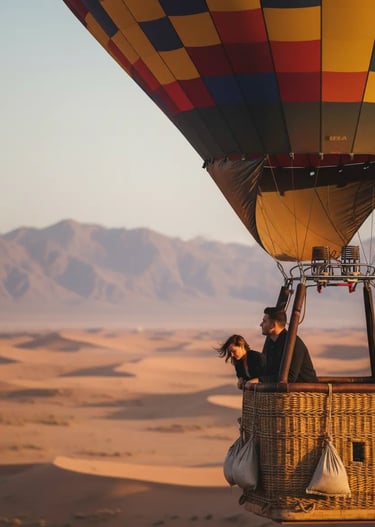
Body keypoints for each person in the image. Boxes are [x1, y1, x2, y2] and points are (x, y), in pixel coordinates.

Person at [260, 307, 317, 383]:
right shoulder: (271, 342)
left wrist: (260, 380)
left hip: (304, 391)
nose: (261, 324)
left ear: (273, 325)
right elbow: (268, 370)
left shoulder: (293, 343)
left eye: (264, 321)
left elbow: (290, 378)